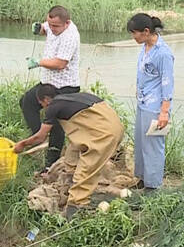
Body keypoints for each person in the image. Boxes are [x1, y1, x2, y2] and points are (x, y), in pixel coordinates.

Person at [13, 84, 123, 216]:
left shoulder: (53, 106)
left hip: (105, 133)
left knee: (87, 168)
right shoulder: (73, 99)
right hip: (112, 124)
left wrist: (22, 145)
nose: (42, 107)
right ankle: (71, 180)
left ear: (47, 99)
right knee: (73, 150)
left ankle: (75, 207)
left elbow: (40, 137)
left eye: (41, 103)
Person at [21, 5, 81, 170]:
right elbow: (45, 29)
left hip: (64, 86)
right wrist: (40, 28)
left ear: (67, 23)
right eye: (50, 24)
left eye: (55, 26)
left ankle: (50, 165)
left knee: (55, 124)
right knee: (27, 101)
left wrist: (38, 62)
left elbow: (60, 64)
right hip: (48, 82)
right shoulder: (53, 24)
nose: (52, 28)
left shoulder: (70, 37)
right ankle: (39, 136)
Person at [127, 13, 174, 191]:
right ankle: (142, 178)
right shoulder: (145, 47)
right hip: (143, 103)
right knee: (140, 143)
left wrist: (164, 112)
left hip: (155, 107)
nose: (133, 37)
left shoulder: (163, 54)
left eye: (135, 33)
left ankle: (153, 186)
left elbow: (167, 83)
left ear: (146, 31)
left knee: (153, 146)